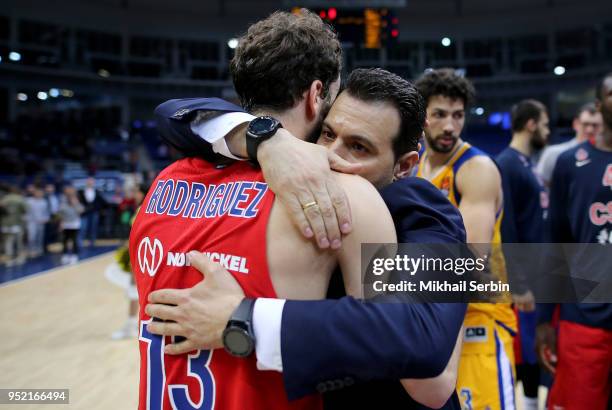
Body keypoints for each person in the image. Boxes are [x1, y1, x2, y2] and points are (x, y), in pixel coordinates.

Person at [130, 12, 464, 410]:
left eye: (359, 147)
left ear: (405, 166)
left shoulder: (427, 211)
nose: (329, 156)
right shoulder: (276, 162)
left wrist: (244, 319)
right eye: (327, 132)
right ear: (316, 99)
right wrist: (266, 142)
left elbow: (434, 375)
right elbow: (174, 112)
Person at [413, 68, 517, 410]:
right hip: (435, 314)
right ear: (422, 115)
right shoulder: (418, 164)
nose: (449, 126)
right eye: (439, 114)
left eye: (457, 116)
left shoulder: (476, 169)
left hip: (477, 319)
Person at [536, 72, 612, 410]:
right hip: (585, 315)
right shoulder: (570, 163)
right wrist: (543, 319)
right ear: (599, 106)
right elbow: (555, 243)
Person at [496, 99, 550, 410]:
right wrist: (518, 283)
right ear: (530, 124)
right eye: (543, 124)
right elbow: (507, 228)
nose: (546, 131)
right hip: (521, 282)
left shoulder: (525, 163)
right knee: (523, 357)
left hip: (536, 274)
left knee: (533, 357)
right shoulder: (507, 163)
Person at [536, 102, 603, 186]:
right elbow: (540, 186)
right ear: (575, 124)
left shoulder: (607, 156)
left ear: (603, 127)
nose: (589, 130)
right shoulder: (554, 153)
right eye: (585, 124)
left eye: (595, 125)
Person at [0, 185, 27, 266]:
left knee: (8, 242)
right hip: (17, 223)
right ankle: (20, 258)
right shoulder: (20, 199)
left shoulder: (3, 199)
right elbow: (25, 210)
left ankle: (9, 260)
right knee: (19, 242)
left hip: (5, 224)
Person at [58, 185, 84, 264]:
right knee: (65, 240)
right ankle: (65, 255)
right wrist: (61, 223)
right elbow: (61, 213)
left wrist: (75, 204)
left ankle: (74, 255)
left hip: (75, 224)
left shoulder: (77, 200)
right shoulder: (63, 201)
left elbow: (81, 211)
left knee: (74, 240)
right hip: (66, 224)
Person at [78, 177, 106, 248]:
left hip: (94, 212)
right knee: (83, 228)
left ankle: (92, 243)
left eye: (91, 182)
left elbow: (101, 201)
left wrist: (99, 209)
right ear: (86, 183)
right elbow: (80, 201)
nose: (90, 183)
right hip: (85, 213)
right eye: (89, 182)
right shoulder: (82, 191)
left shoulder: (96, 191)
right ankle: (80, 243)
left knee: (93, 228)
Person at [25, 187, 50, 258]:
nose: (39, 194)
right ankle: (31, 251)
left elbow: (46, 213)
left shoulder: (44, 202)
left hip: (41, 222)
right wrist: (26, 220)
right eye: (38, 193)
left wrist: (46, 219)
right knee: (31, 237)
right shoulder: (29, 201)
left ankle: (39, 250)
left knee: (40, 237)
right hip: (31, 222)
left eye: (41, 193)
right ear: (34, 193)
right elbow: (25, 211)